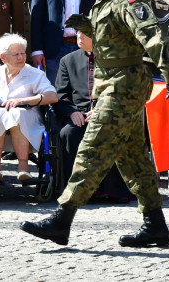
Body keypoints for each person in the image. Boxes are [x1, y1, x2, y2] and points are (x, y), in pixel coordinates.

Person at [22, 0, 169, 249]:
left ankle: (62, 219)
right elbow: (117, 33)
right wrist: (86, 25)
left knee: (91, 148)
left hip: (123, 85)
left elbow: (152, 37)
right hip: (114, 81)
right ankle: (155, 224)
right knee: (134, 158)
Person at [54, 28, 131, 202]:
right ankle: (75, 189)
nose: (79, 37)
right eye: (78, 34)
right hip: (78, 115)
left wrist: (101, 109)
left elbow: (121, 90)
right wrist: (71, 112)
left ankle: (112, 191)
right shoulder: (68, 60)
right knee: (68, 133)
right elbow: (61, 94)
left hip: (107, 113)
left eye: (84, 34)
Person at [0, 33, 56, 184]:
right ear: (3, 57)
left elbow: (52, 96)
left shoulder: (35, 74)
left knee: (17, 113)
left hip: (29, 119)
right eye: (16, 54)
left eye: (23, 53)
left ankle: (23, 166)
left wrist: (24, 100)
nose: (21, 57)